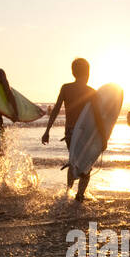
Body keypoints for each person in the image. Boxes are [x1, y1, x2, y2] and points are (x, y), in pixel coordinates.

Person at [41, 58, 97, 201]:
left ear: (73, 72)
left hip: (70, 133)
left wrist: (47, 130)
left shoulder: (66, 88)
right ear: (88, 73)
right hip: (85, 133)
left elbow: (55, 110)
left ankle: (68, 191)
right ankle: (80, 195)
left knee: (73, 161)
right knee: (86, 164)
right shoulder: (91, 92)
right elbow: (97, 118)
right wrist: (102, 136)